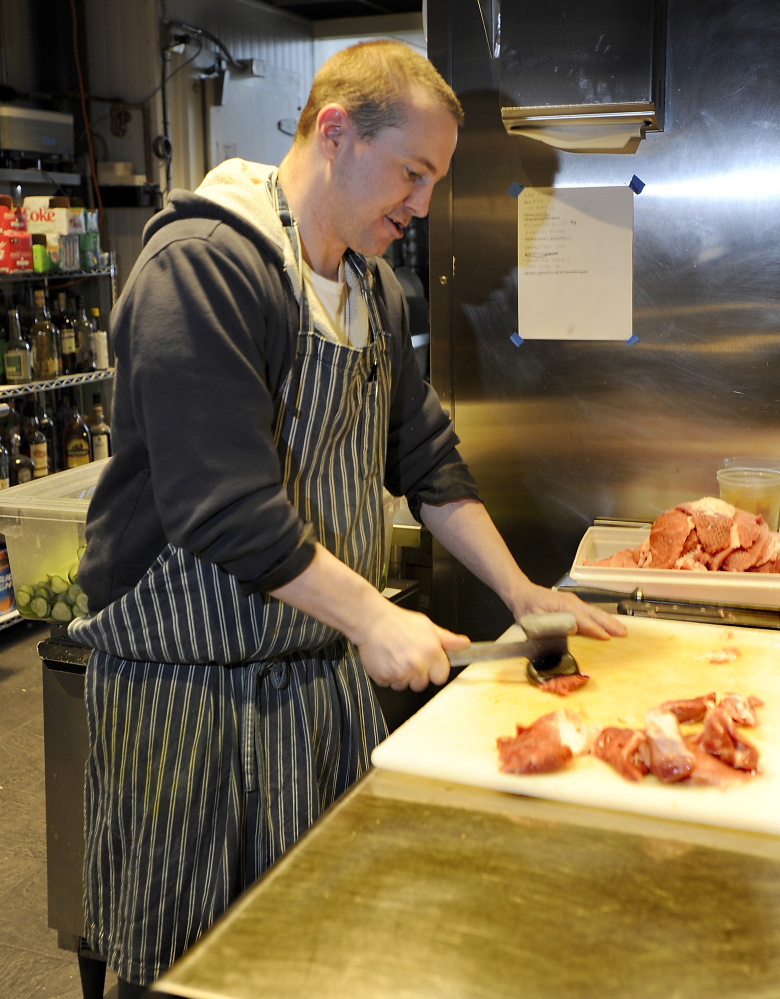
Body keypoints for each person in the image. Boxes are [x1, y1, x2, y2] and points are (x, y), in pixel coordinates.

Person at [69, 39, 625, 996]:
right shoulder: (205, 265)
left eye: (433, 180)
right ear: (336, 132)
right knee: (185, 969)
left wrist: (522, 591)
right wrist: (372, 616)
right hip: (190, 700)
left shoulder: (372, 287)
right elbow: (223, 505)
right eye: (413, 172)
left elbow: (428, 462)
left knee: (307, 951)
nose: (420, 205)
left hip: (312, 684)